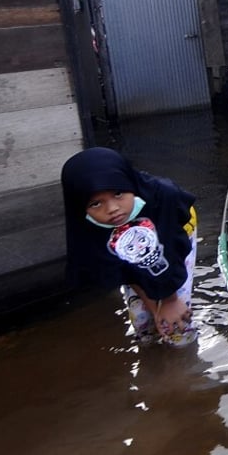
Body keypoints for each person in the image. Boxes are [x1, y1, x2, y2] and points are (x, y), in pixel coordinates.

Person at [61, 147, 198, 346]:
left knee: (177, 324)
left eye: (118, 193)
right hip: (128, 243)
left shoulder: (163, 197)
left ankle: (186, 359)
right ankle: (152, 358)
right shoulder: (89, 226)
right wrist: (154, 308)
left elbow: (169, 253)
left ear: (129, 184)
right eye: (96, 204)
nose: (112, 209)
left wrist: (168, 301)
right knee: (143, 323)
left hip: (173, 233)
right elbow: (122, 269)